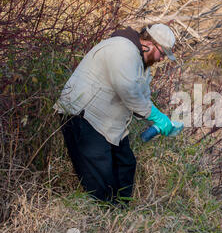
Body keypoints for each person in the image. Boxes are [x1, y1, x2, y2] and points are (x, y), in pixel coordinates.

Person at [53, 23, 177, 205]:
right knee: (101, 182)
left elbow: (142, 96)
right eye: (162, 53)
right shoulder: (123, 49)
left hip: (107, 124)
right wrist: (155, 116)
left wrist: (157, 118)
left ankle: (121, 215)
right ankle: (103, 222)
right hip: (82, 118)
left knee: (126, 165)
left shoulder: (141, 62)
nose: (161, 59)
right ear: (150, 44)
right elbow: (128, 90)